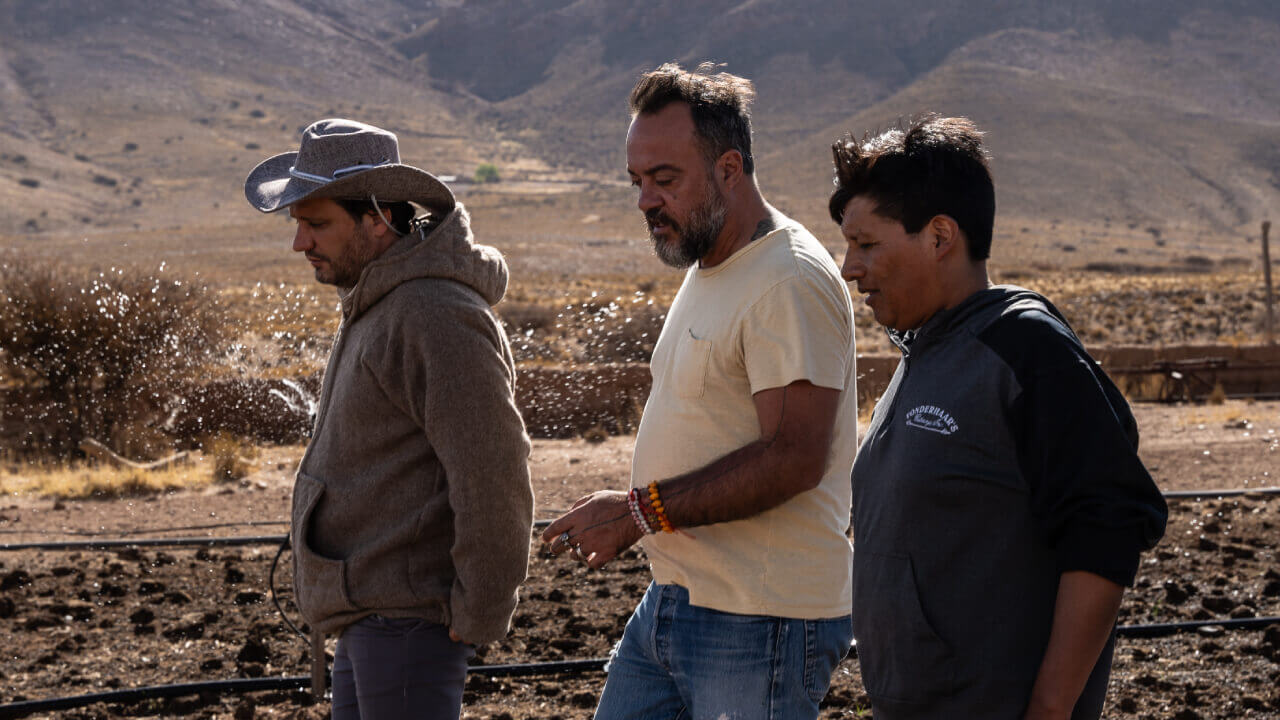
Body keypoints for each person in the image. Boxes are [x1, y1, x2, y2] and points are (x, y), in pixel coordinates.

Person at [542, 63, 859, 720]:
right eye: (637, 182)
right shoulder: (711, 261)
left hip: (760, 618)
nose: (645, 202)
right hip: (676, 600)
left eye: (664, 180)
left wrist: (639, 513)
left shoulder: (788, 279)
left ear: (730, 169)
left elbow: (793, 457)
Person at [830, 115, 1168, 720]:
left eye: (867, 243)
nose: (850, 267)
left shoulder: (1025, 349)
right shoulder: (925, 350)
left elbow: (1109, 521)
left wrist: (1050, 706)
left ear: (939, 237)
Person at [243, 118, 533, 720]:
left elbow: (492, 471)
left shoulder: (433, 314)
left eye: (316, 223)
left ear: (377, 217)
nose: (300, 243)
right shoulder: (385, 299)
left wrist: (479, 607)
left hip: (407, 624)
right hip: (373, 616)